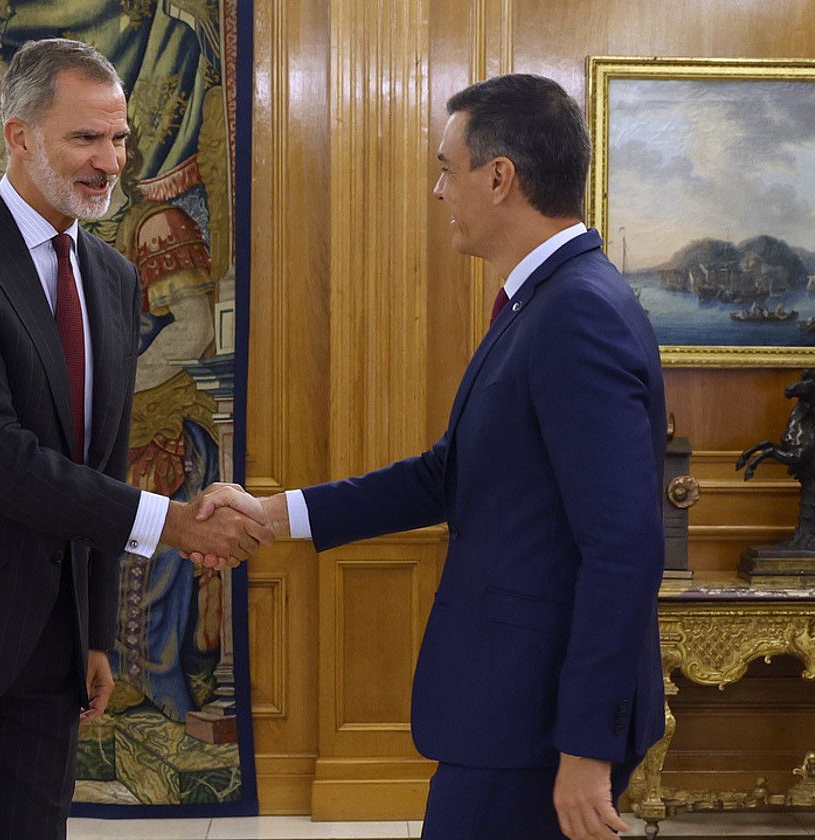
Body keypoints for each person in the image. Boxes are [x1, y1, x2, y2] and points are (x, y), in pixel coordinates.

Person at [195, 74, 668, 840]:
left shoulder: (576, 312)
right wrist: (273, 515)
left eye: (447, 168)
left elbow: (624, 549)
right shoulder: (544, 302)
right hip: (511, 715)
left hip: (538, 726)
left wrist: (586, 745)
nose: (439, 190)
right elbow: (447, 475)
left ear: (500, 177)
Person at [0, 38, 270, 840]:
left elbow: (94, 458)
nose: (111, 161)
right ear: (20, 137)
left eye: (120, 138)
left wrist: (91, 634)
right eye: (86, 138)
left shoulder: (114, 277)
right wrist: (171, 522)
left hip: (43, 650)